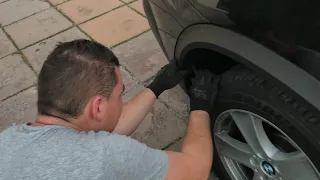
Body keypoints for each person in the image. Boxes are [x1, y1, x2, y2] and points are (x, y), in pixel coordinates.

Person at [0, 39, 220, 180]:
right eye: (119, 94)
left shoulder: (7, 141)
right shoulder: (107, 157)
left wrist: (156, 87)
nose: (121, 100)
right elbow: (195, 170)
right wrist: (200, 107)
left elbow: (96, 135)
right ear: (97, 107)